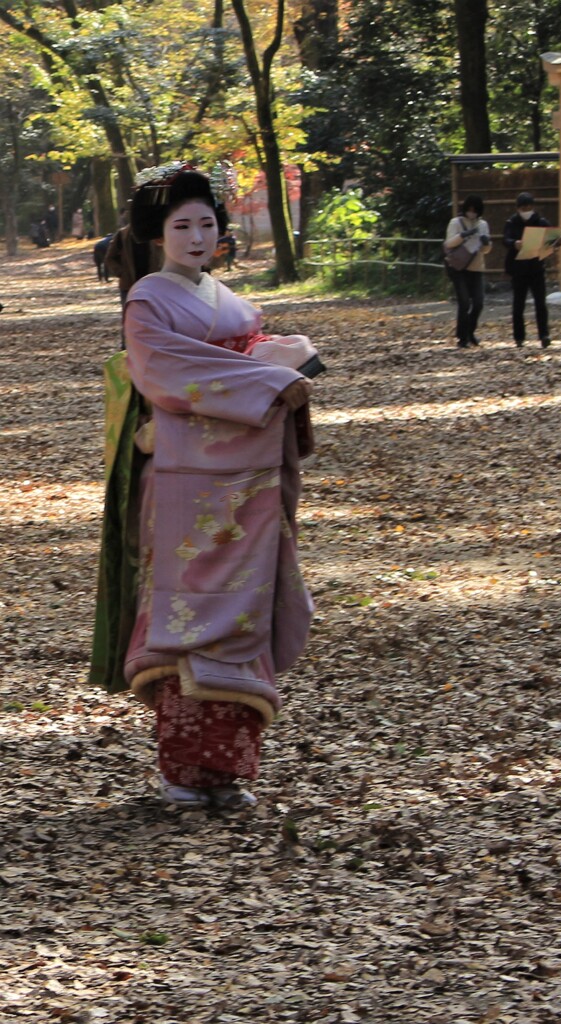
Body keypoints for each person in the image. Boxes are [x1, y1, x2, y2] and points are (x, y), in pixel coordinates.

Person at [89, 164, 317, 808]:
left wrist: (285, 351)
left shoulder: (228, 299)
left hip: (248, 480)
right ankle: (182, 770)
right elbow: (168, 374)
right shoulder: (149, 301)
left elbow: (243, 355)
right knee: (189, 613)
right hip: (186, 480)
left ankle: (227, 771)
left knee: (244, 612)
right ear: (156, 235)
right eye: (181, 225)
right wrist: (266, 371)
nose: (196, 236)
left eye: (206, 224)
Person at [503, 192, 561, 349]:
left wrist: (558, 241)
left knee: (540, 303)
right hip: (518, 268)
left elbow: (552, 239)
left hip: (536, 267)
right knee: (518, 304)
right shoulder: (512, 222)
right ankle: (519, 337)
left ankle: (544, 334)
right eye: (524, 207)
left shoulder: (541, 221)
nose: (527, 210)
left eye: (529, 207)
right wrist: (514, 243)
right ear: (518, 208)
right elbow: (505, 239)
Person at [444, 194, 492, 349]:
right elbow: (449, 243)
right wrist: (463, 236)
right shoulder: (455, 222)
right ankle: (462, 337)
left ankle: (470, 331)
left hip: (476, 267)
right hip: (458, 268)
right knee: (464, 302)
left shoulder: (483, 224)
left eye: (475, 210)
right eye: (469, 209)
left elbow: (486, 249)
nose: (472, 212)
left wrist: (486, 243)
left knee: (478, 303)